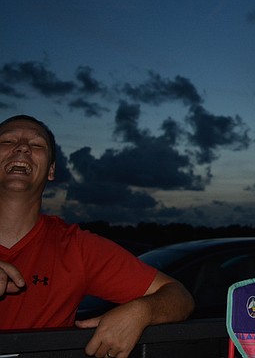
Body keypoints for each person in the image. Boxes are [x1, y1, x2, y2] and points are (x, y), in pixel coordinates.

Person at [0, 115, 194, 358]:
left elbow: (179, 296)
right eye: (7, 141)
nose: (22, 147)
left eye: (37, 145)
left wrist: (141, 312)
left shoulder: (77, 248)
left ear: (51, 170)